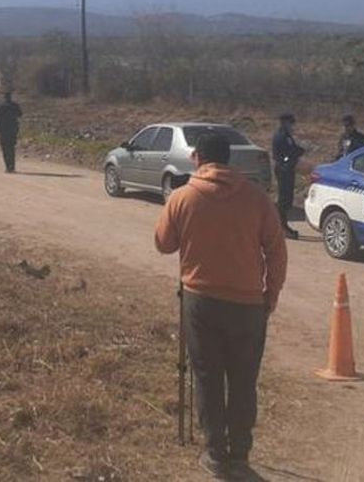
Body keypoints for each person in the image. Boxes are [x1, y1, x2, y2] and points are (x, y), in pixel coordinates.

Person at [155, 132, 288, 480]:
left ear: (197, 157)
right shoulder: (257, 198)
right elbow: (277, 252)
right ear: (229, 159)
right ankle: (240, 454)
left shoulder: (183, 196)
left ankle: (215, 454)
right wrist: (269, 296)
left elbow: (163, 244)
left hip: (201, 302)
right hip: (248, 304)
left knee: (207, 377)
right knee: (244, 381)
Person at [270, 113, 305, 239]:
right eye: (290, 123)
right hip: (283, 168)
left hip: (288, 168)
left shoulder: (287, 136)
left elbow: (294, 149)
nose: (292, 126)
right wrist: (297, 152)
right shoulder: (281, 136)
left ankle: (283, 224)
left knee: (287, 198)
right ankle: (281, 226)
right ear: (284, 122)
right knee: (284, 199)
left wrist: (299, 151)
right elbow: (289, 151)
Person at [0, 91, 22, 173]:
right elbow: (20, 114)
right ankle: (12, 166)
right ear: (11, 97)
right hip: (13, 129)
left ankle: (8, 167)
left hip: (3, 129)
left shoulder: (0, 106)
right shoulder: (15, 106)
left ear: (4, 98)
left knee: (5, 148)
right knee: (11, 148)